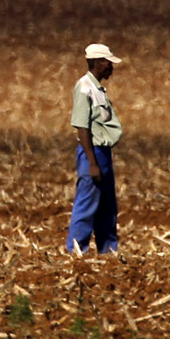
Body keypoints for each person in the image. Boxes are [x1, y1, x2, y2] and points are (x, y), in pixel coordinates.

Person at [68, 43, 124, 254]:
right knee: (86, 204)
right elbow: (82, 126)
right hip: (92, 152)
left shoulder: (97, 88)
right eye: (109, 63)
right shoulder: (84, 87)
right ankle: (75, 251)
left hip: (103, 153)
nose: (111, 67)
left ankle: (108, 252)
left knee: (107, 207)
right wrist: (92, 163)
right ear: (99, 63)